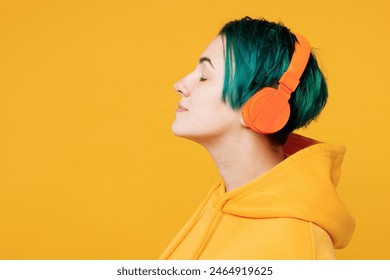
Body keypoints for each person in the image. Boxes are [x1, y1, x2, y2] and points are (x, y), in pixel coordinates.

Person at [160, 17, 355, 260]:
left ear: (263, 107)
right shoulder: (223, 201)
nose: (179, 84)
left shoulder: (295, 244)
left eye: (204, 76)